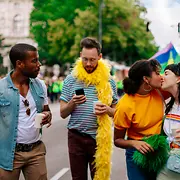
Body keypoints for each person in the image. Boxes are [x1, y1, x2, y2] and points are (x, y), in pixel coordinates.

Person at [113, 59, 180, 180]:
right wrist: (134, 143)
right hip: (136, 153)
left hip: (159, 151)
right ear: (146, 79)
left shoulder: (160, 91)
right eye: (158, 74)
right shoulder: (124, 105)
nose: (161, 77)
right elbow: (117, 140)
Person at [60, 37, 118, 180]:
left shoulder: (109, 80)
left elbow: (117, 112)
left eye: (92, 59)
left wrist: (107, 110)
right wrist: (72, 103)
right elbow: (62, 113)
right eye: (85, 59)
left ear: (100, 57)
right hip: (76, 137)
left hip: (99, 139)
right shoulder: (71, 79)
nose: (88, 63)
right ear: (80, 56)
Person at [0, 43, 52, 180]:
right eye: (34, 61)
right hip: (9, 154)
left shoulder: (40, 85)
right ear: (20, 64)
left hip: (36, 151)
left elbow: (46, 110)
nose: (39, 64)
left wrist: (47, 115)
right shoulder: (1, 89)